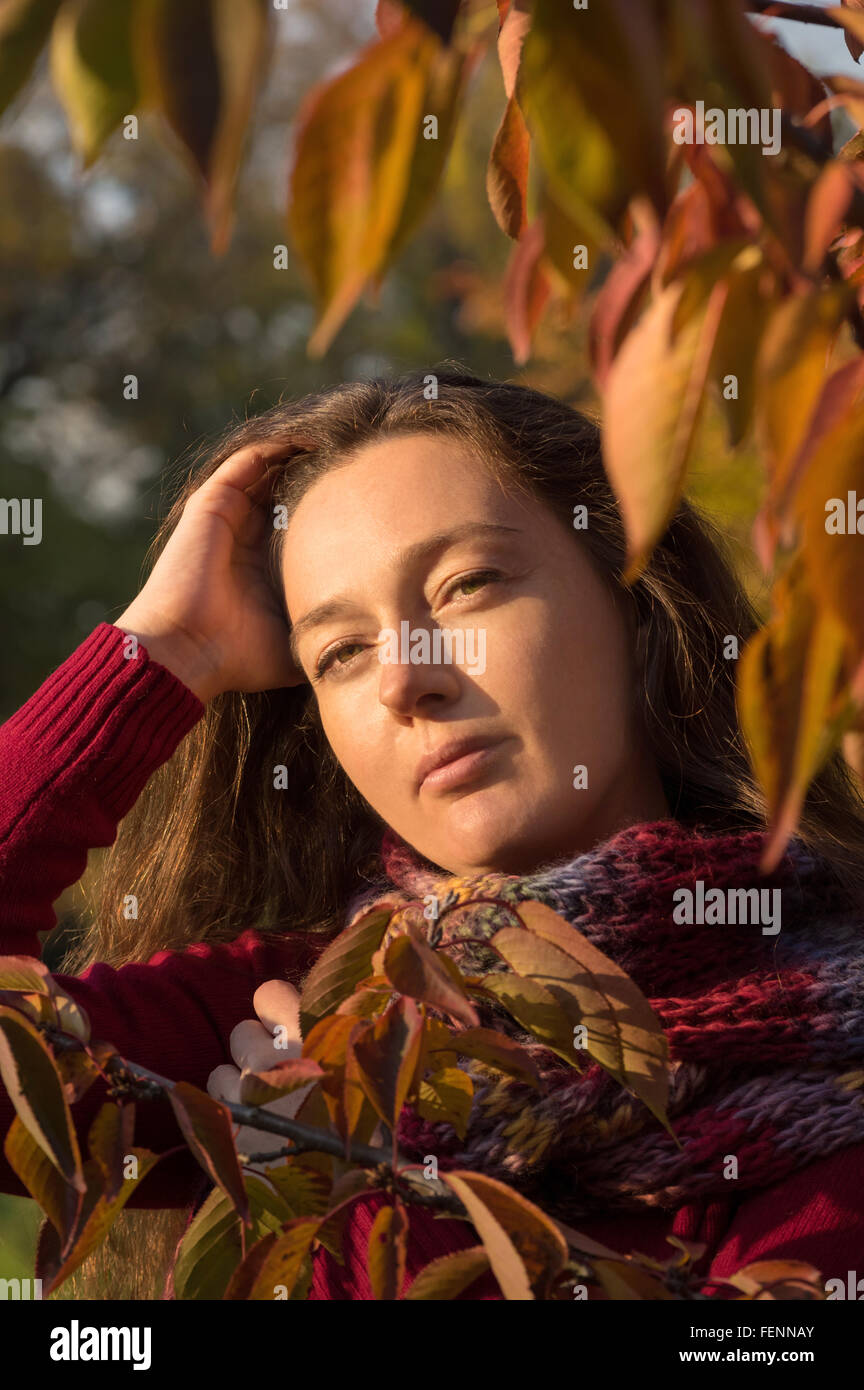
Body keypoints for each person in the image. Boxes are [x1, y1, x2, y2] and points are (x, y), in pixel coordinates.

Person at [2, 368, 863, 1301]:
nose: (405, 679)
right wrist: (162, 651)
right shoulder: (285, 1019)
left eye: (467, 585)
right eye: (339, 652)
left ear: (636, 599)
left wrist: (366, 1188)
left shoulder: (837, 1047)